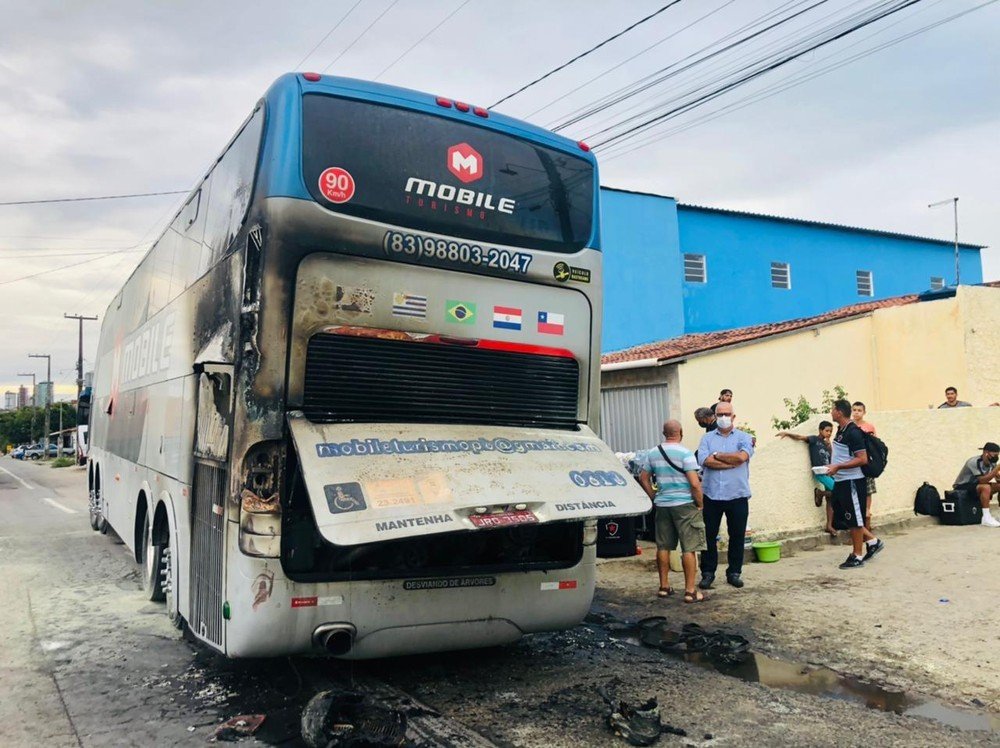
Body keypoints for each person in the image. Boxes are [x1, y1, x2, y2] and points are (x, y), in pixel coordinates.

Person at [638, 420, 707, 603]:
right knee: (689, 548)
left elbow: (643, 477)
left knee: (663, 546)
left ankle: (664, 587)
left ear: (663, 433)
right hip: (684, 504)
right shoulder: (686, 453)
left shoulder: (653, 453)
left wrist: (653, 496)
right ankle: (690, 591)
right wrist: (699, 503)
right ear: (681, 432)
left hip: (663, 505)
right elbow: (694, 483)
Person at [696, 402, 753, 589]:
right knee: (708, 536)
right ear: (714, 415)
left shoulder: (744, 437)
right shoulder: (706, 439)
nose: (723, 417)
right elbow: (705, 461)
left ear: (733, 416)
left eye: (726, 414)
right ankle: (707, 573)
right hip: (711, 495)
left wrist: (718, 454)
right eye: (719, 414)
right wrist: (731, 461)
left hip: (737, 495)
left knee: (736, 535)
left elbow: (741, 458)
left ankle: (734, 572)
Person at [827, 399, 883, 569]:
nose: (831, 412)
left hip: (852, 480)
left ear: (839, 412)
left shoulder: (853, 432)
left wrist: (838, 466)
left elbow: (862, 459)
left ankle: (857, 555)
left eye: (833, 409)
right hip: (841, 480)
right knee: (844, 515)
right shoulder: (840, 431)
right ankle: (873, 541)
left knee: (855, 517)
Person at [777, 421, 836, 535]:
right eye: (827, 431)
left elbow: (831, 457)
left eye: (830, 431)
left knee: (831, 500)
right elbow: (800, 437)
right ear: (820, 430)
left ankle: (829, 525)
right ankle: (820, 493)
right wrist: (788, 434)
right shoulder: (814, 439)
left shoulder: (826, 444)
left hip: (828, 472)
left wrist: (829, 446)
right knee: (838, 491)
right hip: (819, 472)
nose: (829, 433)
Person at [952, 442, 1000, 527]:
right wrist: (996, 469)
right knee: (986, 487)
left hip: (977, 486)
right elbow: (982, 480)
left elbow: (996, 476)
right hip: (963, 486)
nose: (996, 457)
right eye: (994, 455)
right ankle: (986, 518)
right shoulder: (973, 462)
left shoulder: (992, 463)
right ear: (986, 453)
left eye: (997, 455)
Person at [851, 401, 877, 531]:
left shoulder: (869, 427)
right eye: (854, 410)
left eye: (859, 410)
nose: (856, 412)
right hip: (852, 464)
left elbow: (874, 445)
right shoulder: (848, 427)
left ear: (864, 412)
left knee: (868, 491)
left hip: (866, 464)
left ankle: (867, 519)